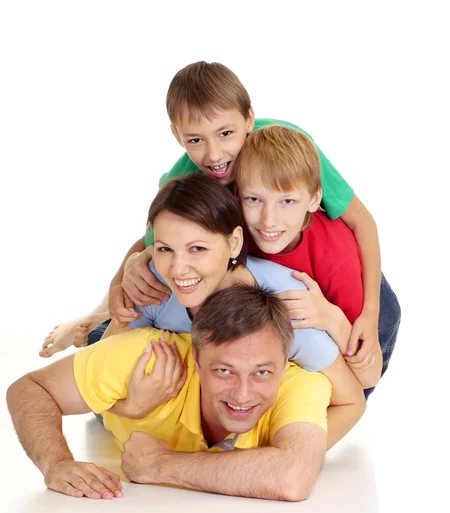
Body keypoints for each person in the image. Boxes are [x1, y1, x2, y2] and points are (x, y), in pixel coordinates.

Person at [41, 61, 385, 368]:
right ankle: (94, 318)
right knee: (147, 288)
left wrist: (369, 316)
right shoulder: (181, 180)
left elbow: (361, 222)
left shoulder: (288, 151)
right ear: (177, 136)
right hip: (251, 282)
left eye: (226, 133)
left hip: (327, 275)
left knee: (359, 338)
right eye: (195, 140)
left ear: (248, 119)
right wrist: (122, 280)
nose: (215, 154)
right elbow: (154, 246)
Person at [95, 173, 364, 447]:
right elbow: (97, 378)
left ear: (234, 242)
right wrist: (132, 407)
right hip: (189, 397)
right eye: (165, 249)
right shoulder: (154, 285)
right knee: (97, 338)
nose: (177, 269)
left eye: (197, 248)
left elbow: (352, 401)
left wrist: (286, 453)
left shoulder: (287, 307)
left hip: (351, 320)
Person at [7, 285, 332, 501]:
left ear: (284, 363)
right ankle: (83, 323)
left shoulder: (301, 384)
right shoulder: (145, 357)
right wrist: (56, 463)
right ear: (196, 359)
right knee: (98, 333)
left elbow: (293, 477)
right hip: (115, 391)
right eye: (224, 371)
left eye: (262, 372)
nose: (243, 394)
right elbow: (30, 388)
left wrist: (159, 464)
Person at [234, 125, 401, 397]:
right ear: (236, 195)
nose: (269, 220)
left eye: (287, 201)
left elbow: (369, 376)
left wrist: (330, 317)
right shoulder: (232, 231)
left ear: (314, 199)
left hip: (359, 308)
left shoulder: (336, 259)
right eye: (254, 199)